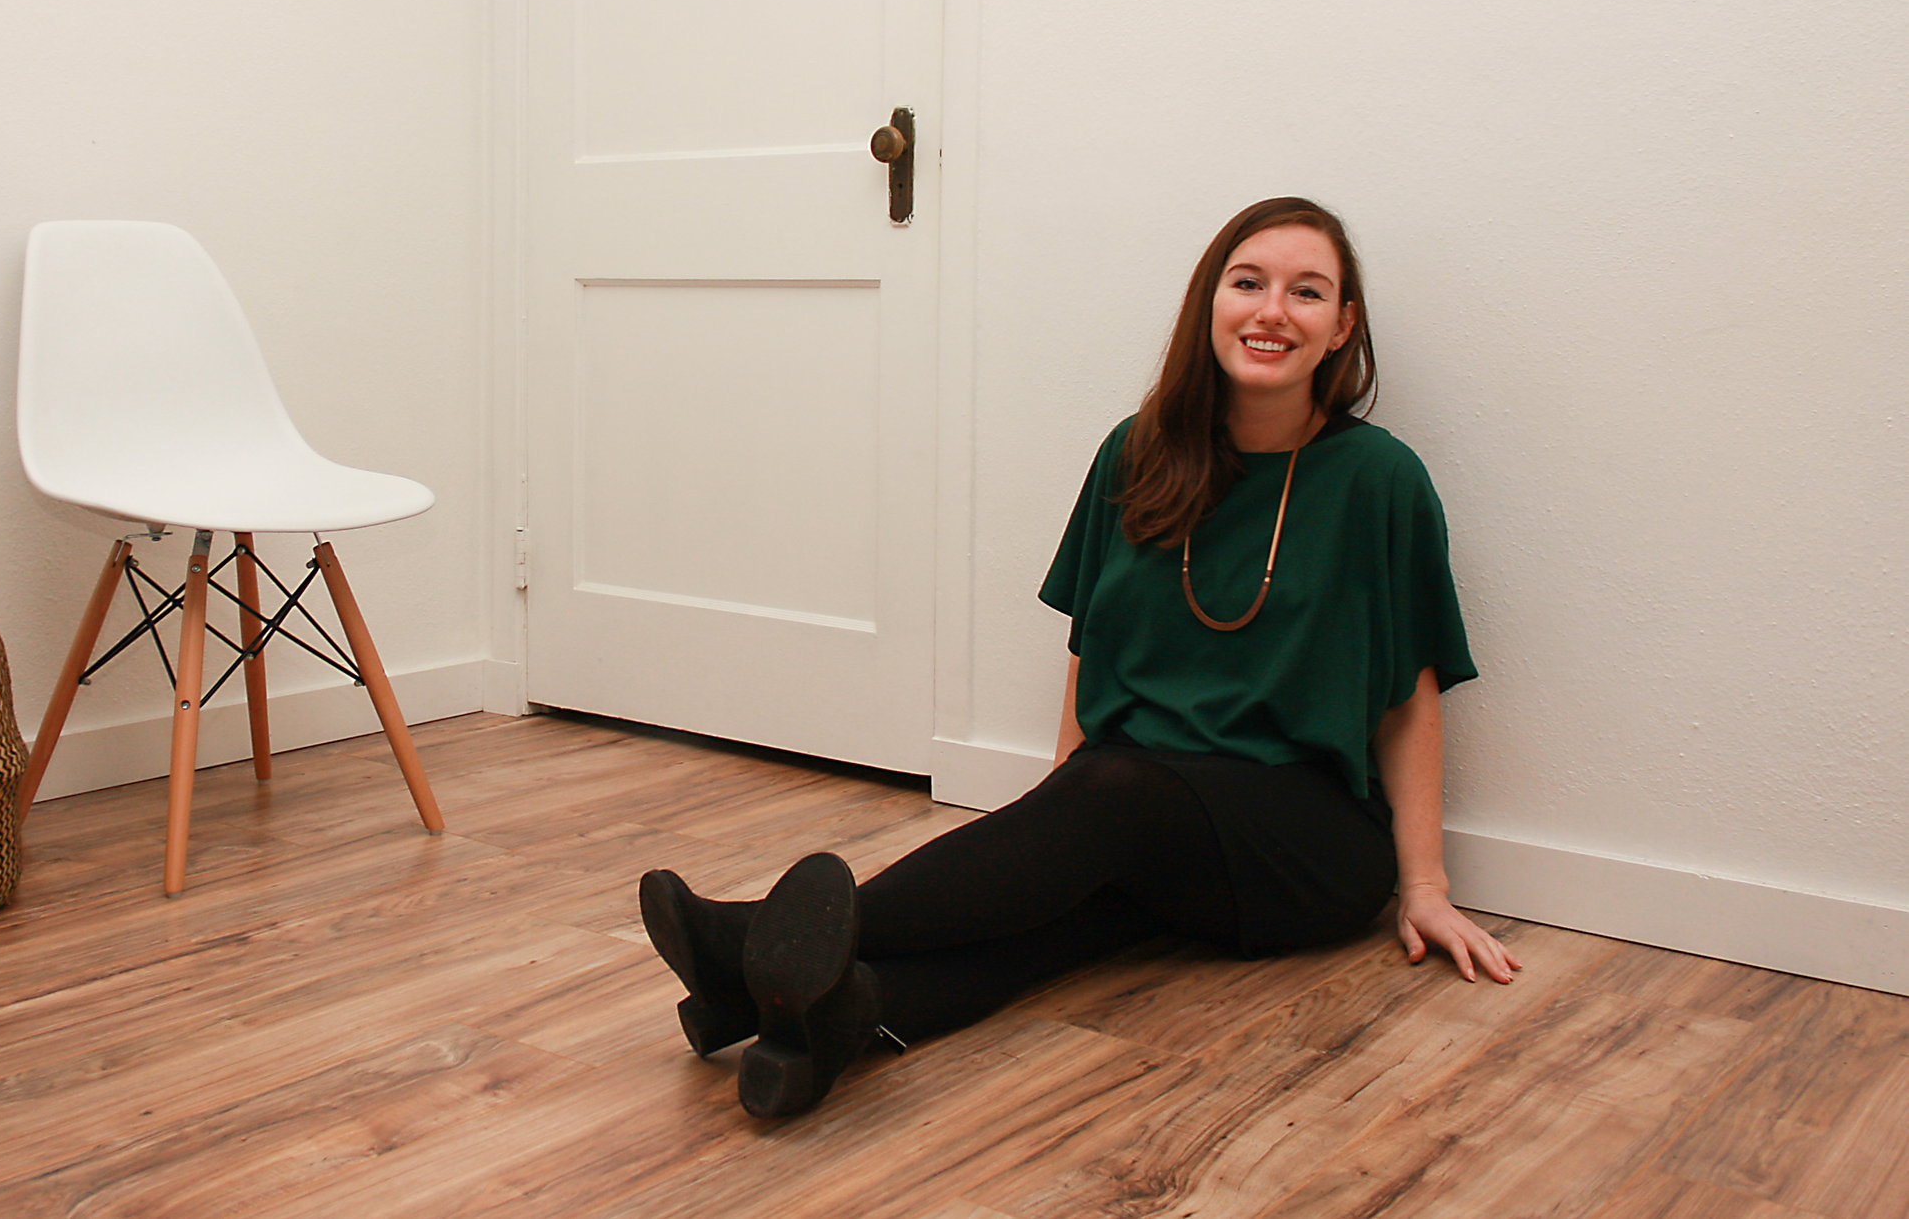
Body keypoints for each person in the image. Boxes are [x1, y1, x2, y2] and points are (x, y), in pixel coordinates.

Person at [639, 196, 1520, 1118]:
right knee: (1061, 913)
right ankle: (832, 1024)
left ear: (1342, 327)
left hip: (1302, 840)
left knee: (1117, 796)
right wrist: (1052, 836)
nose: (1272, 311)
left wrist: (1426, 886)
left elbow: (1411, 694)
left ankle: (743, 940)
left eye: (1308, 292)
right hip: (1135, 805)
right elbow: (1087, 647)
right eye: (1248, 282)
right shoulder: (1136, 453)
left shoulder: (1380, 481)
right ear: (1207, 302)